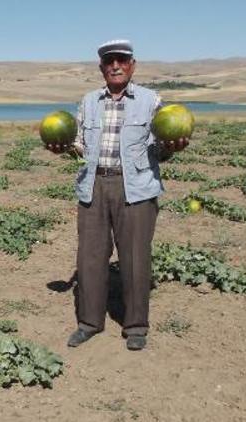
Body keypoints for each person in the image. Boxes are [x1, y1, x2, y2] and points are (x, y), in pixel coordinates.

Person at [45, 39, 189, 351]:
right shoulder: (88, 102)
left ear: (132, 66)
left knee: (135, 257)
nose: (115, 66)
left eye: (122, 60)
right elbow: (80, 145)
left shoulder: (151, 101)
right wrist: (64, 147)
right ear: (101, 68)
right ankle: (89, 323)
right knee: (90, 257)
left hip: (135, 187)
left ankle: (135, 326)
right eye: (109, 61)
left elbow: (159, 148)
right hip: (94, 184)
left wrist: (170, 147)